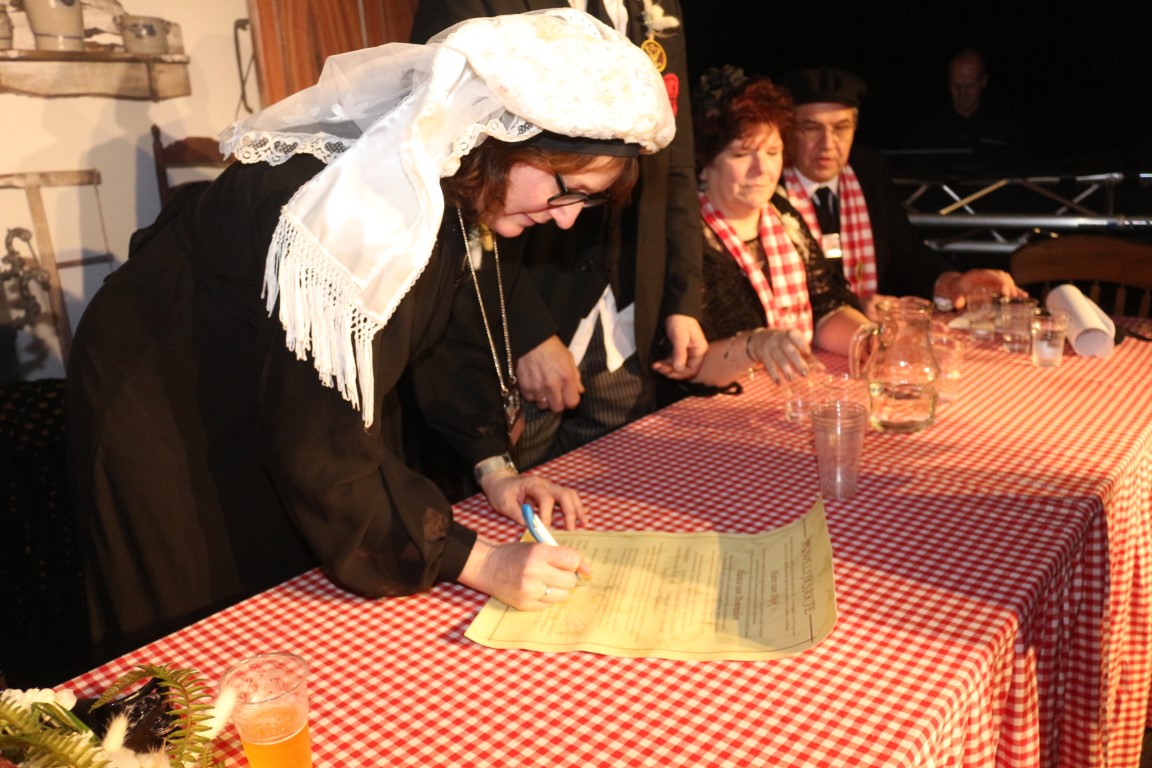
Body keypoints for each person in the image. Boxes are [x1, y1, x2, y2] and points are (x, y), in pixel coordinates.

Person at [65, 10, 675, 659]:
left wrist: (494, 468)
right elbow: (320, 437)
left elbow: (445, 330)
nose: (566, 221)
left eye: (587, 203)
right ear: (503, 137)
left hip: (267, 399)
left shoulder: (447, 179)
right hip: (163, 410)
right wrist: (481, 562)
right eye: (568, 191)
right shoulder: (365, 208)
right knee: (196, 626)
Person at [411, 0, 706, 472]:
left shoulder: (660, 7)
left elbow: (678, 166)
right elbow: (452, 168)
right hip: (521, 311)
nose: (571, 218)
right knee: (512, 485)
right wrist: (527, 332)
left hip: (626, 318)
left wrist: (682, 298)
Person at [653, 66, 868, 391]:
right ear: (704, 164)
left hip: (781, 396)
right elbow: (682, 365)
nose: (762, 169)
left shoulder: (783, 214)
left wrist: (872, 339)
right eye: (742, 154)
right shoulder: (686, 236)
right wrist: (754, 345)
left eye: (773, 152)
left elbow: (825, 306)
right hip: (707, 409)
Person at [776, 66, 1025, 313]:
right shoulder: (770, 184)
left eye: (841, 128)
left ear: (855, 127)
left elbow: (905, 252)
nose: (828, 144)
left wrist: (952, 282)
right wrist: (849, 309)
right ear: (789, 130)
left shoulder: (868, 170)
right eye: (811, 128)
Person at [903, 47, 1029, 174]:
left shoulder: (1006, 128)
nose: (962, 94)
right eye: (956, 86)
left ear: (984, 81)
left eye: (969, 86)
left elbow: (1023, 171)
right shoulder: (928, 130)